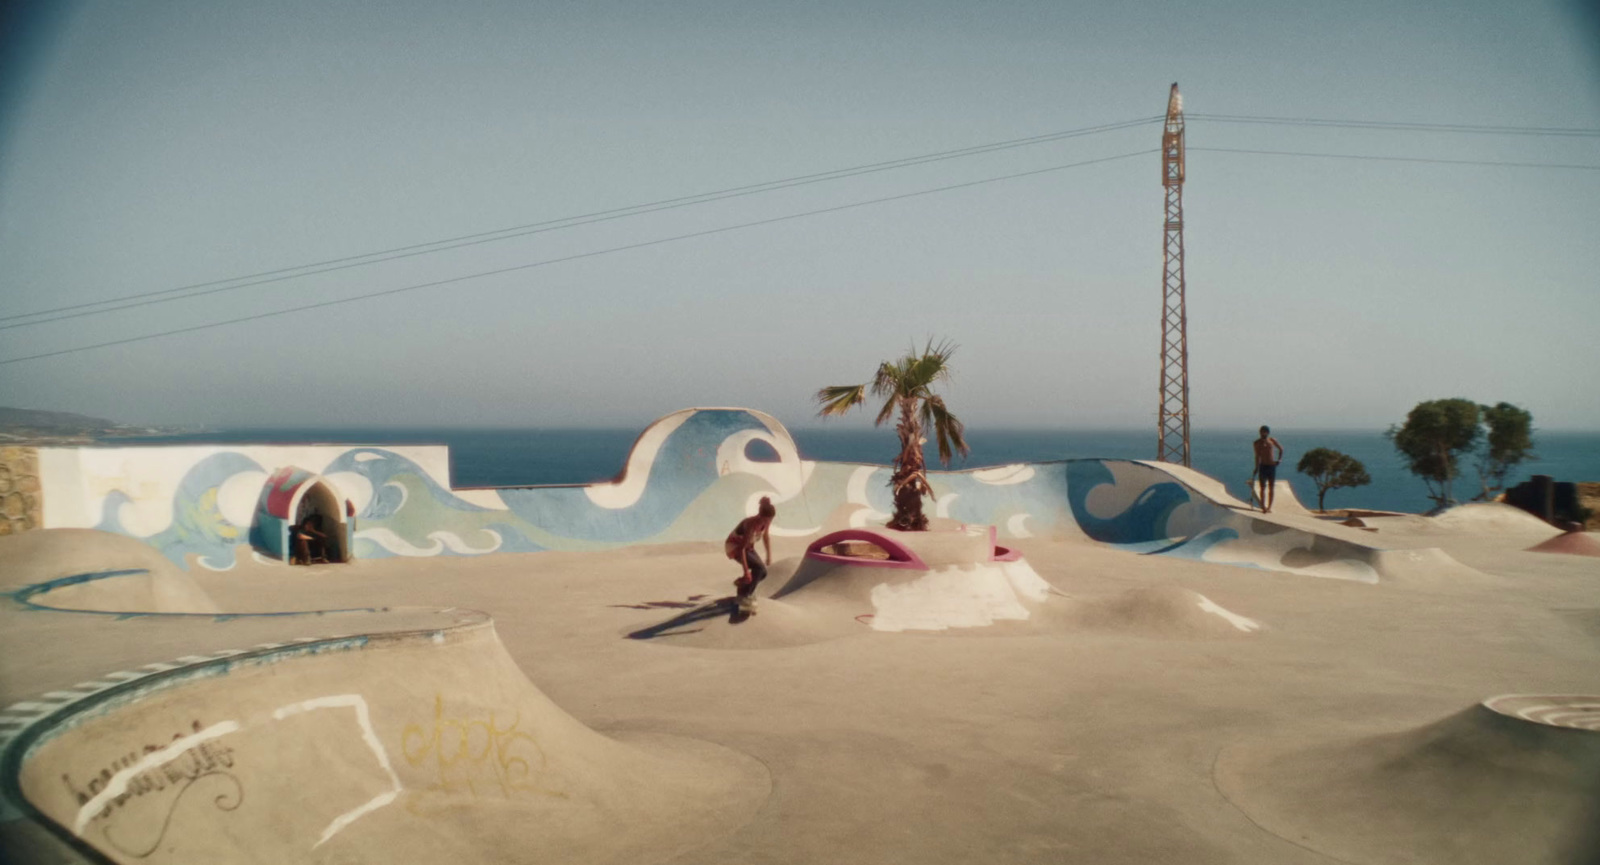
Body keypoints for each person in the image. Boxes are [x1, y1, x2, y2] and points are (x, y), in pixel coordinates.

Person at [726, 497, 776, 611]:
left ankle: (743, 588)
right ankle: (744, 596)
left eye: (770, 520)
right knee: (758, 568)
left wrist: (769, 555)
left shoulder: (765, 522)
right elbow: (741, 549)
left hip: (748, 547)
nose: (768, 523)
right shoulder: (750, 524)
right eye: (766, 520)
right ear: (760, 516)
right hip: (735, 547)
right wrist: (746, 572)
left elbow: (766, 536)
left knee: (763, 573)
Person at [1253, 426, 1284, 513]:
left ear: (1267, 432)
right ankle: (1263, 506)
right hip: (1263, 466)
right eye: (1262, 432)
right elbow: (1257, 456)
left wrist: (1279, 459)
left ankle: (1269, 507)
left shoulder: (1272, 441)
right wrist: (1256, 467)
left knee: (1271, 487)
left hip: (1271, 466)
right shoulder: (1257, 443)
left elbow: (1281, 449)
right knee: (1262, 487)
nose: (1263, 433)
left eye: (1265, 432)